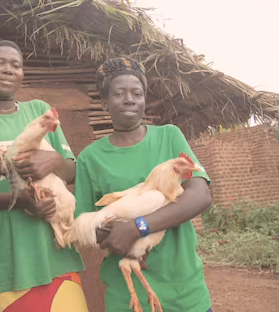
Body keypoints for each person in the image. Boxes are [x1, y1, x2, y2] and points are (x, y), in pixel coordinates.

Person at [73, 57, 213, 312]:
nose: (129, 99)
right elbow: (87, 224)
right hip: (127, 298)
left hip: (183, 290)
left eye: (137, 93)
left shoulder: (169, 136)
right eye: (119, 93)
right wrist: (117, 237)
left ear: (144, 99)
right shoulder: (89, 158)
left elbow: (200, 195)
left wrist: (139, 228)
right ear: (104, 102)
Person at [0, 40, 89, 312]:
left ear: (23, 74)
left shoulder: (39, 110)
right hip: (3, 259)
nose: (7, 70)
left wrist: (52, 160)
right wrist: (21, 201)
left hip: (53, 252)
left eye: (16, 65)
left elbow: (72, 172)